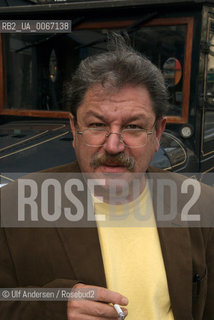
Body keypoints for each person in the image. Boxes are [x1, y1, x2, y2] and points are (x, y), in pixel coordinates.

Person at [0, 35, 213, 320]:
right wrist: (51, 305)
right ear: (75, 128)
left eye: (134, 126)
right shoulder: (10, 208)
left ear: (158, 132)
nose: (113, 146)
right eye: (97, 124)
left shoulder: (201, 206)